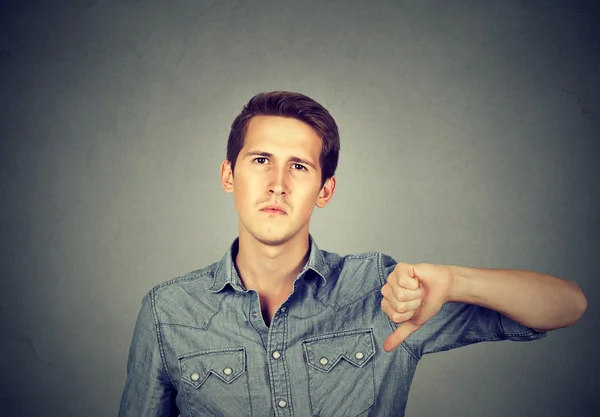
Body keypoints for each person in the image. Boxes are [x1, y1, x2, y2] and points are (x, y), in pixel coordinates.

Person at [118, 91, 587, 417]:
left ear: (325, 190)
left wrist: (455, 281)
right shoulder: (168, 313)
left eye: (298, 166)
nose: (277, 184)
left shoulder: (385, 293)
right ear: (228, 175)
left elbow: (567, 306)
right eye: (260, 160)